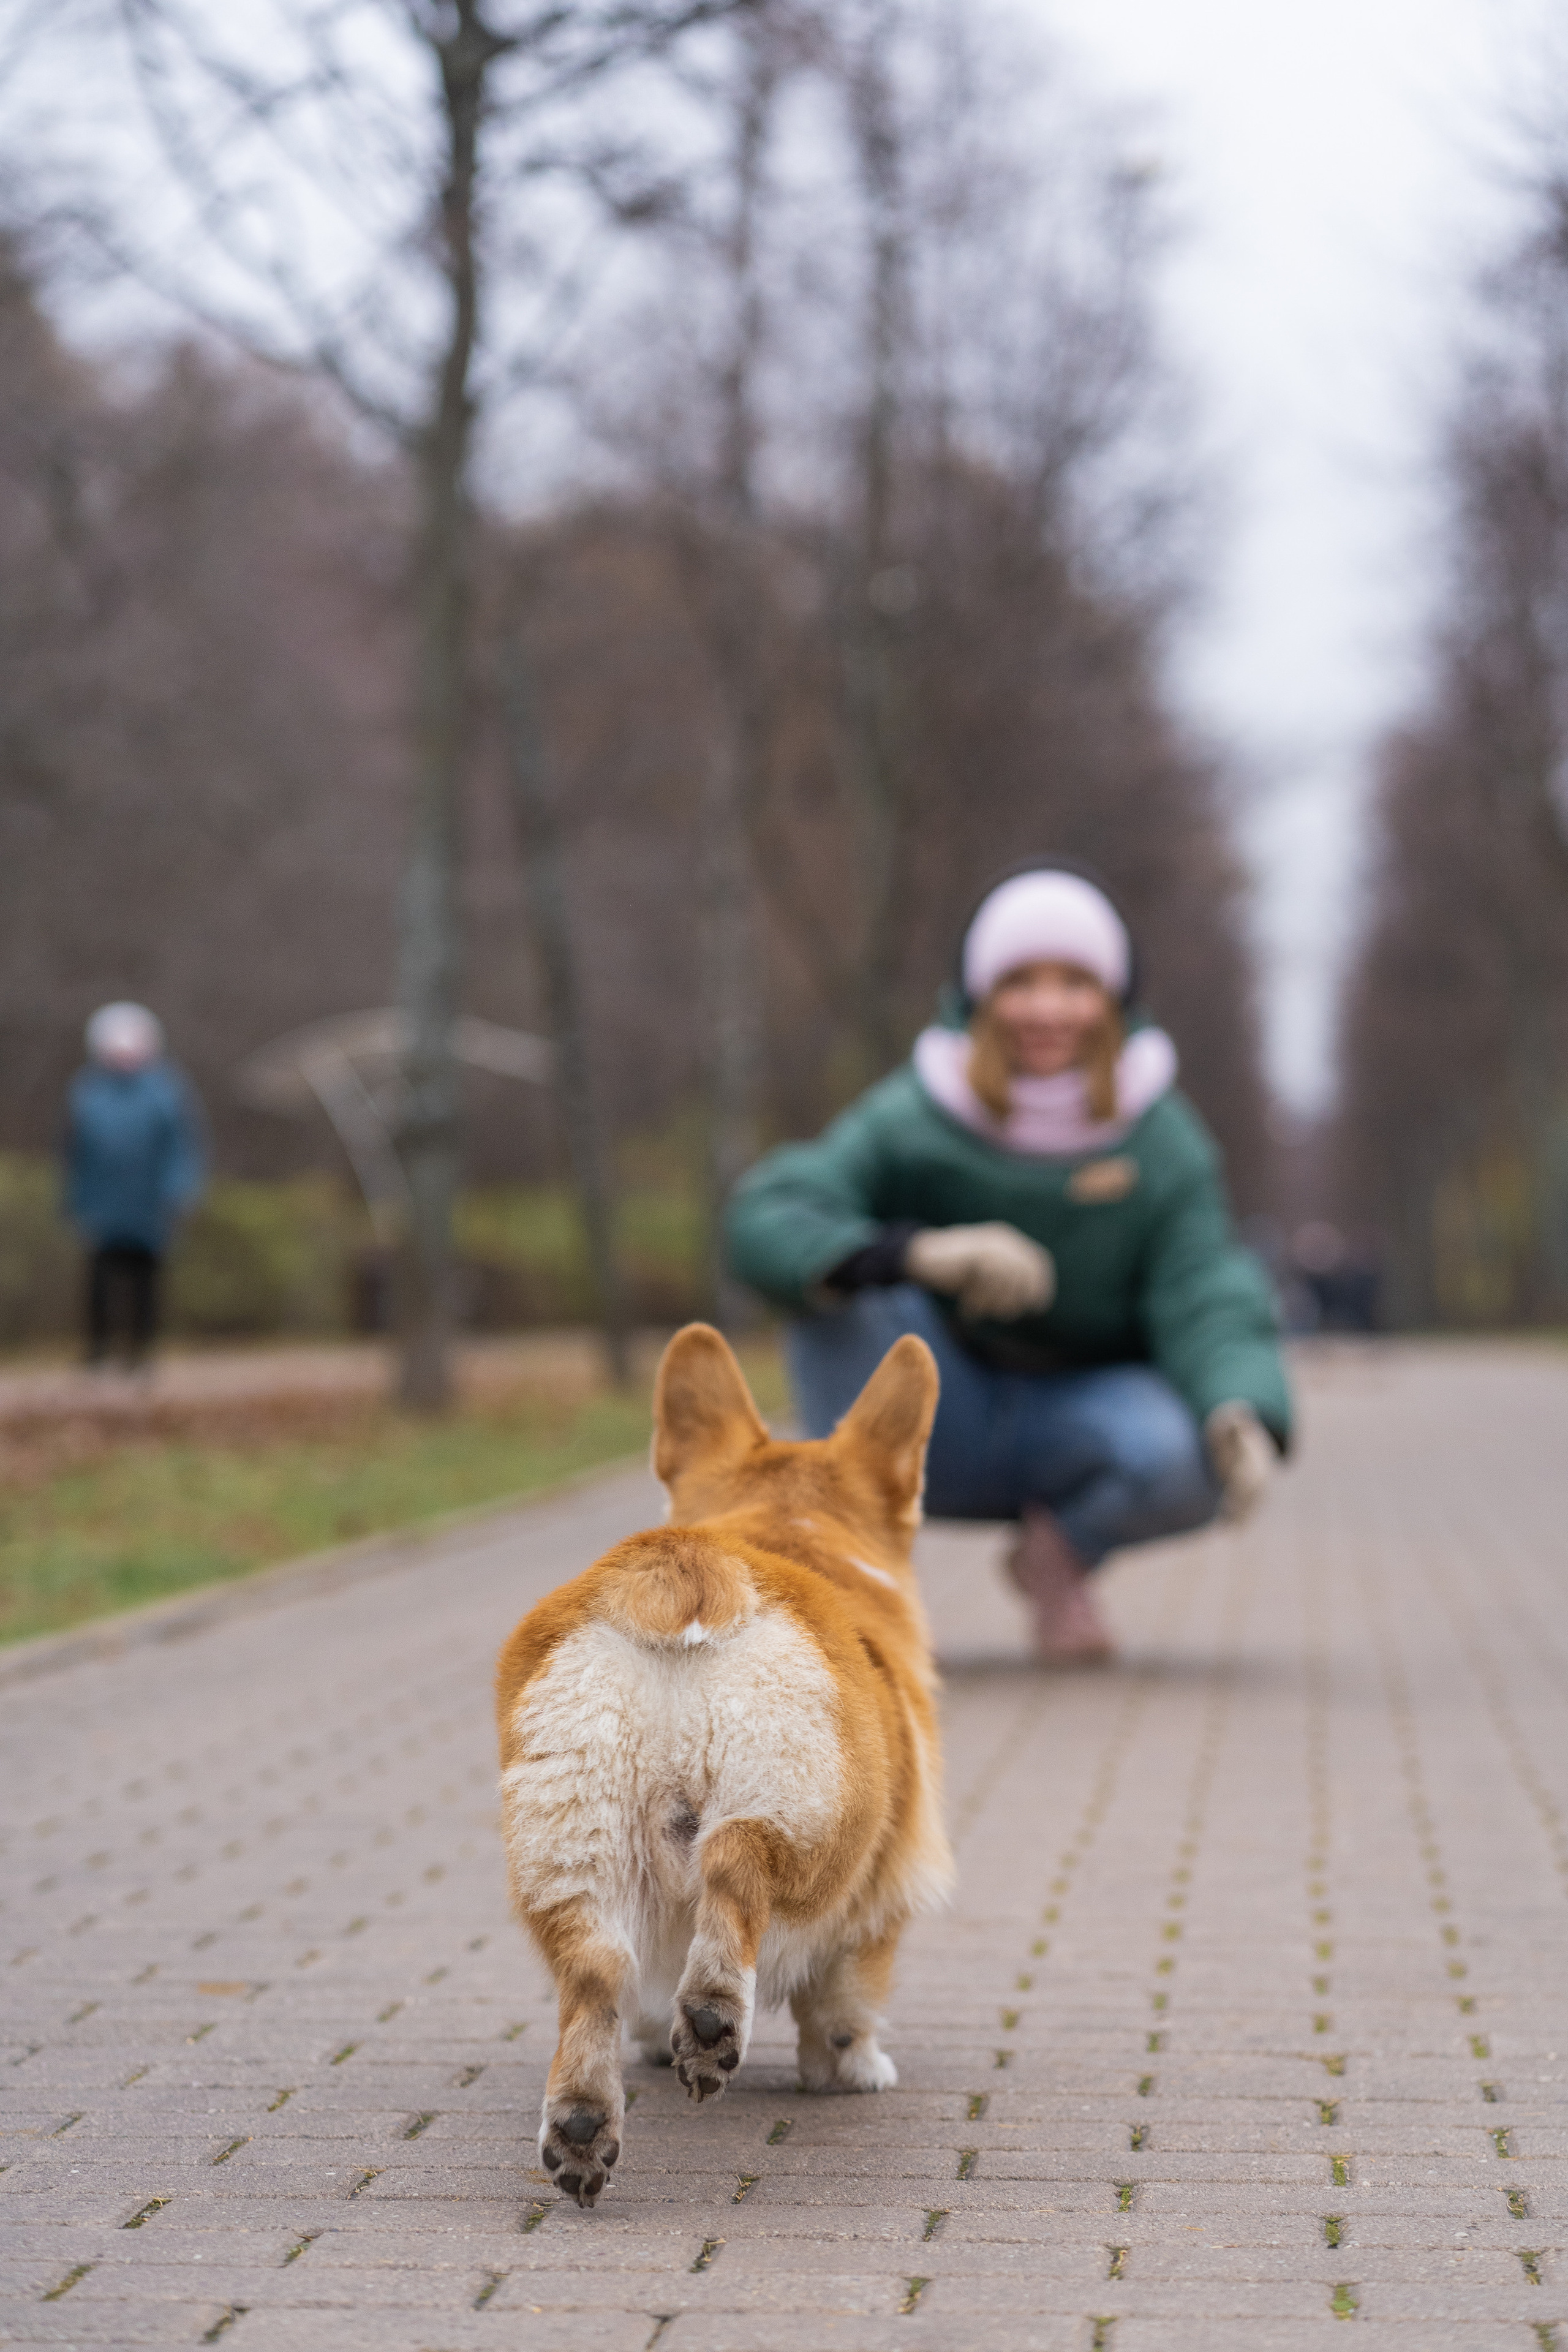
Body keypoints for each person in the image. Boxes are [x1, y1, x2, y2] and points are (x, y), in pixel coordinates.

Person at [725, 864, 1291, 1663]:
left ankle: (1057, 1561)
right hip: (935, 1420)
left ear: (1115, 1000)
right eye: (1021, 982)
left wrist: (1243, 1405)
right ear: (981, 997)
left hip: (1081, 1419)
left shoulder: (1161, 1139)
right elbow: (769, 1213)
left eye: (1076, 982)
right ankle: (852, 1586)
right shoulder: (918, 1114)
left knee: (1184, 1450)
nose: (1048, 1008)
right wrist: (913, 1254)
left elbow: (1206, 1287)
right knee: (841, 1295)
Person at [64, 1002, 207, 1371]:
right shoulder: (87, 1092)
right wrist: (74, 1201)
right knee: (100, 1282)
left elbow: (181, 1148)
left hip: (149, 1205)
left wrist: (178, 1191)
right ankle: (97, 1352)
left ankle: (141, 1355)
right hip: (104, 1204)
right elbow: (75, 1154)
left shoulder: (165, 1092)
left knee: (146, 1283)